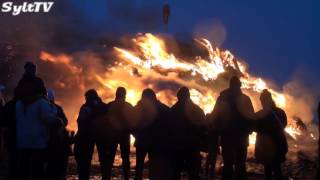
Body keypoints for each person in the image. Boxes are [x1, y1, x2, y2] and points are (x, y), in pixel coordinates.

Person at [211, 76, 254, 180]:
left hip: (227, 137)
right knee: (240, 165)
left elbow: (215, 116)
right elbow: (251, 118)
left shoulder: (222, 98)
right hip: (241, 137)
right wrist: (249, 130)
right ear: (239, 86)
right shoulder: (245, 99)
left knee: (228, 165)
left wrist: (218, 131)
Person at [15, 82, 58, 180]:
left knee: (23, 170)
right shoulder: (41, 103)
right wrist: (57, 120)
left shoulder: (19, 103)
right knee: (37, 170)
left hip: (22, 142)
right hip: (38, 142)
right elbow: (49, 118)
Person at [133, 88, 173, 180]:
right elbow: (168, 124)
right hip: (156, 142)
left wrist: (136, 135)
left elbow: (132, 123)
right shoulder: (162, 108)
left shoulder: (138, 108)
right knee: (154, 167)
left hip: (142, 141)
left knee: (139, 166)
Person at [74, 89, 110, 180]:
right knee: (104, 160)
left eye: (86, 97)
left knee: (86, 160)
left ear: (89, 97)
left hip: (87, 136)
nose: (85, 99)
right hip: (102, 136)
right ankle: (106, 177)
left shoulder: (86, 107)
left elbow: (80, 121)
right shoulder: (103, 106)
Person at [171, 87, 205, 180]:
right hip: (193, 145)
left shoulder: (173, 111)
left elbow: (169, 128)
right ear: (189, 96)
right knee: (193, 172)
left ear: (178, 97)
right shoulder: (197, 110)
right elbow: (203, 126)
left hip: (178, 146)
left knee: (176, 172)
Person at [254, 89, 288, 180]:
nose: (261, 102)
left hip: (265, 147)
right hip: (278, 145)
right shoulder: (280, 112)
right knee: (277, 170)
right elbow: (284, 124)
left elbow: (254, 128)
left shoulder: (260, 114)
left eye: (262, 100)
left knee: (268, 170)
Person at [107, 87, 134, 180]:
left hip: (112, 135)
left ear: (116, 94)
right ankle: (126, 177)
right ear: (124, 95)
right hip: (125, 134)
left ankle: (106, 177)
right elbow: (133, 121)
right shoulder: (129, 106)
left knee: (109, 157)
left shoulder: (110, 105)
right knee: (126, 157)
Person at [46, 89, 70, 180]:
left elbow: (65, 121)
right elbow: (65, 121)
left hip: (49, 139)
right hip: (57, 139)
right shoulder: (57, 108)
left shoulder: (44, 107)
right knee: (57, 161)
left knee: (50, 162)